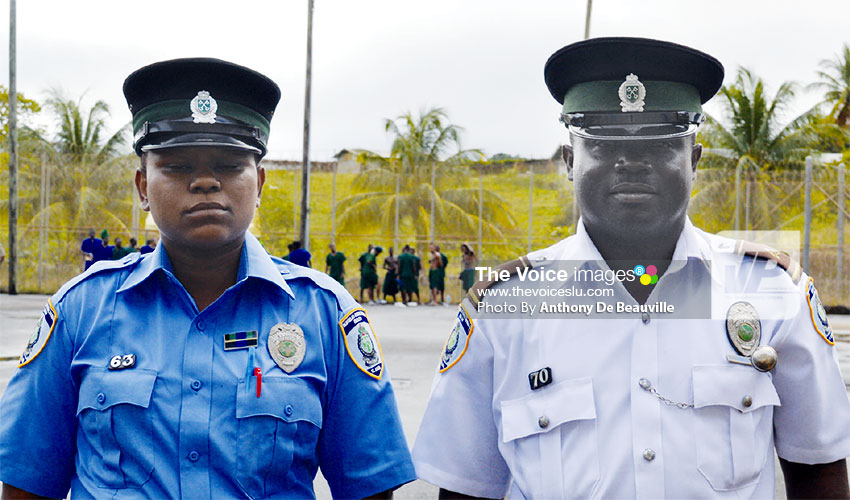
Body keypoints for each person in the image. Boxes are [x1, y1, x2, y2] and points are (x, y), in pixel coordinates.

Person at [412, 38, 850, 499]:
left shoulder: (773, 293)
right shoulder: (505, 308)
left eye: (661, 143)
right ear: (569, 161)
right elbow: (466, 489)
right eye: (602, 143)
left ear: (694, 160)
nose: (632, 161)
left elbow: (819, 473)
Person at [0, 57, 415, 499]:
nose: (204, 182)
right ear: (143, 186)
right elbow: (28, 483)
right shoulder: (82, 310)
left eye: (229, 164)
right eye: (177, 166)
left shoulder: (324, 315)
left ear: (258, 182)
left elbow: (368, 486)